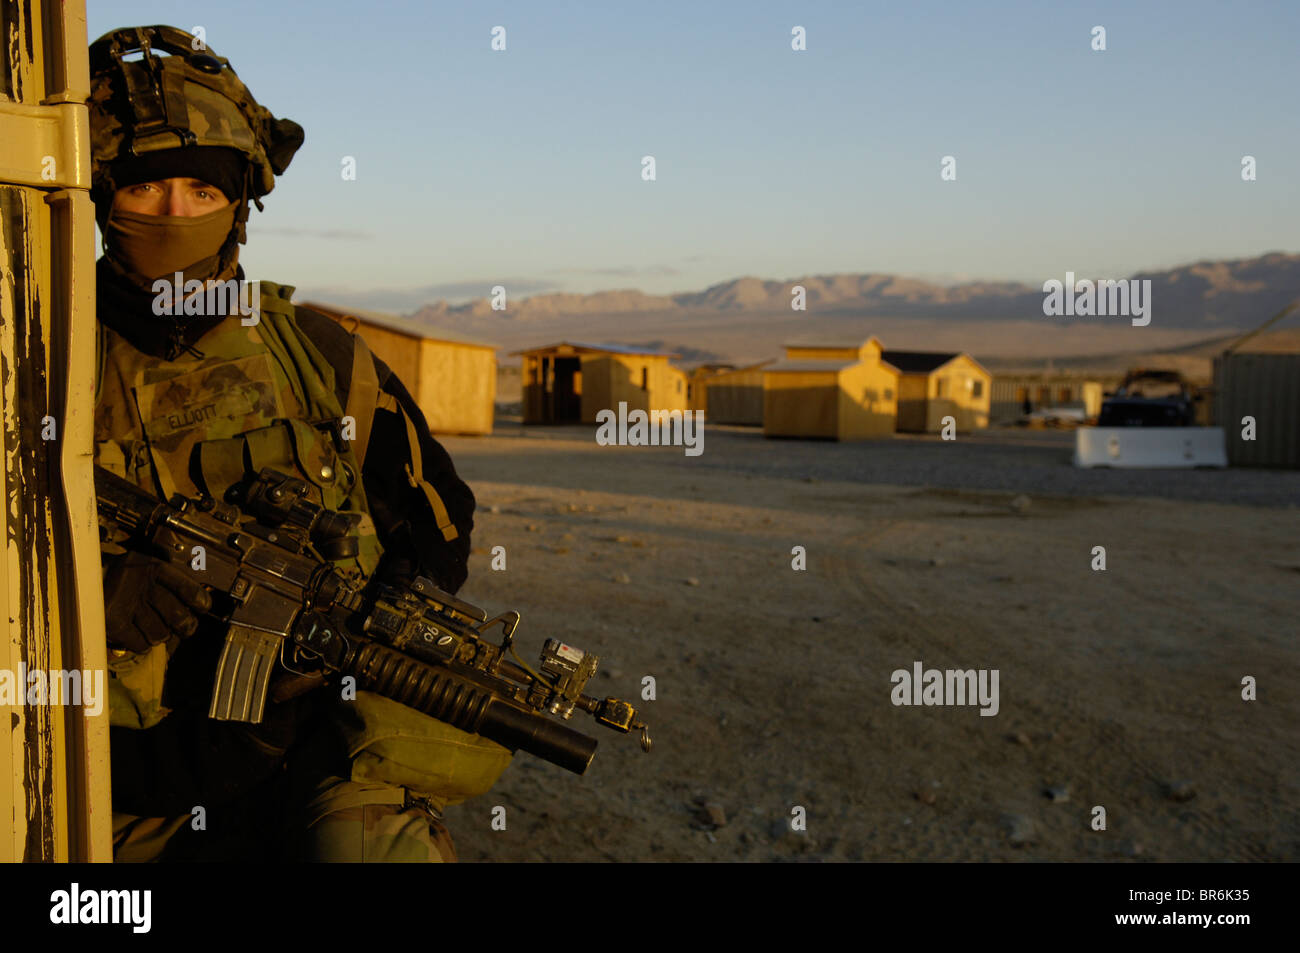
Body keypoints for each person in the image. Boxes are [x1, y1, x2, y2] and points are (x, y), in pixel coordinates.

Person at [89, 25, 511, 861]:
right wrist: (89, 591)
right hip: (126, 778)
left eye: (200, 192)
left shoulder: (321, 356)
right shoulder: (38, 363)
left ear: (238, 203)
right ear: (103, 200)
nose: (176, 214)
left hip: (317, 743)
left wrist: (374, 616)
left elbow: (439, 515)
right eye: (147, 191)